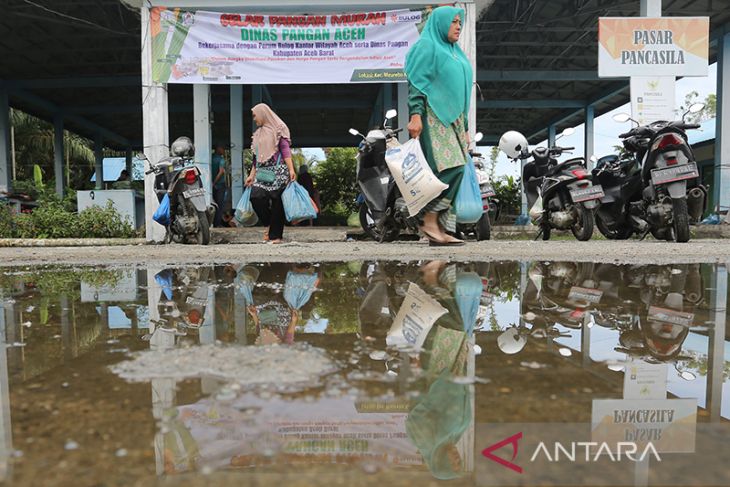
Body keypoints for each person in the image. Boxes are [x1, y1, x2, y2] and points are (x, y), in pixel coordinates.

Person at [405, 6, 473, 246]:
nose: (458, 26)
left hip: (454, 120)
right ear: (440, 24)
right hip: (434, 115)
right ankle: (429, 220)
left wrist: (464, 127)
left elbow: (462, 92)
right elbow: (417, 81)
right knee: (451, 167)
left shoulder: (456, 52)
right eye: (453, 22)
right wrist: (415, 115)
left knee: (458, 168)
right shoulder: (428, 46)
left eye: (459, 22)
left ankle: (441, 228)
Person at [245, 103, 297, 244]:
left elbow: (286, 151)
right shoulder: (258, 134)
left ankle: (276, 237)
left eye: (255, 115)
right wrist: (251, 175)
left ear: (263, 113)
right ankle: (268, 225)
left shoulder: (279, 129)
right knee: (255, 196)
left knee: (277, 204)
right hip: (262, 172)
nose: (254, 119)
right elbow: (256, 157)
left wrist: (291, 170)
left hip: (279, 170)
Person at [211, 144, 227, 227]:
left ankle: (213, 222)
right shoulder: (221, 160)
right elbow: (221, 172)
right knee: (219, 205)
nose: (224, 150)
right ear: (218, 148)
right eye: (223, 148)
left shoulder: (210, 158)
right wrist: (215, 182)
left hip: (211, 186)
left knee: (212, 204)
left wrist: (211, 183)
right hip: (219, 185)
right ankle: (217, 224)